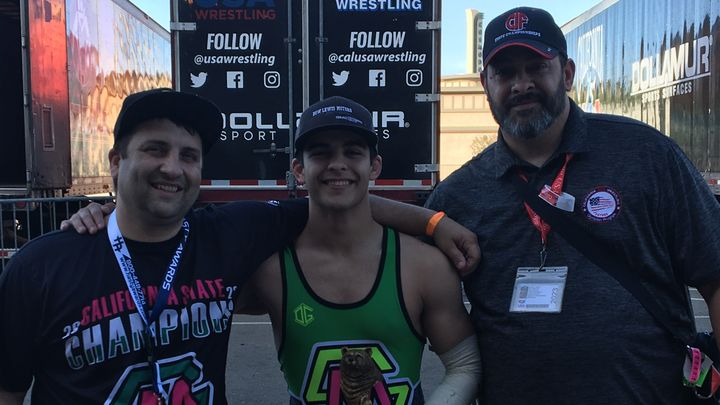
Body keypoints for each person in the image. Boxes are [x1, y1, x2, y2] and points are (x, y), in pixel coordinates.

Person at [0, 89, 480, 404]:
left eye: (189, 156)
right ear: (115, 161)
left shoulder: (225, 236)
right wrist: (103, 212)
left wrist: (434, 222)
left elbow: (340, 200)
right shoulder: (40, 266)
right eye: (154, 150)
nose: (172, 167)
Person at [424, 6, 720, 405]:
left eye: (536, 67)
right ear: (486, 85)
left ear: (566, 74)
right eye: (505, 73)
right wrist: (416, 218)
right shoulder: (458, 195)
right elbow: (364, 241)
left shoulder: (645, 154)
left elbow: (715, 274)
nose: (521, 84)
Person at [239, 96, 481, 404]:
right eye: (321, 152)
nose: (337, 163)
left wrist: (433, 223)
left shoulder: (424, 266)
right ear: (299, 170)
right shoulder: (271, 270)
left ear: (374, 166)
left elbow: (465, 365)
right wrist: (431, 222)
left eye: (353, 152)